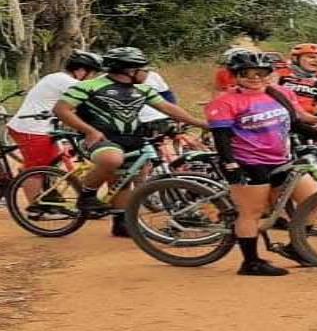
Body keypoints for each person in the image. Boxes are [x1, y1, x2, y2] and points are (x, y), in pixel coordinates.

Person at [206, 51, 317, 276]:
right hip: (249, 163)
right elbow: (221, 139)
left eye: (260, 73)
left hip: (283, 160)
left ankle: (295, 248)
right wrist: (230, 165)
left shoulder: (280, 93)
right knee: (252, 212)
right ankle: (251, 262)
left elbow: (295, 124)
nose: (255, 78)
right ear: (235, 75)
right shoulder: (225, 102)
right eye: (246, 74)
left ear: (270, 74)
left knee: (313, 200)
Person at [53, 47, 207, 237]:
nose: (147, 72)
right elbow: (61, 109)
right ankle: (87, 194)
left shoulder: (142, 90)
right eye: (144, 69)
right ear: (129, 70)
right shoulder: (89, 86)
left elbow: (169, 108)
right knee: (112, 159)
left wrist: (201, 123)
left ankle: (121, 223)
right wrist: (89, 130)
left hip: (132, 139)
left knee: (125, 180)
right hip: (101, 139)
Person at [8, 51, 103, 217]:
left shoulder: (56, 77)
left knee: (48, 165)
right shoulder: (66, 82)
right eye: (92, 73)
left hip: (40, 127)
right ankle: (36, 210)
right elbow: (91, 103)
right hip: (32, 128)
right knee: (37, 169)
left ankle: (47, 198)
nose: (92, 77)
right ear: (81, 70)